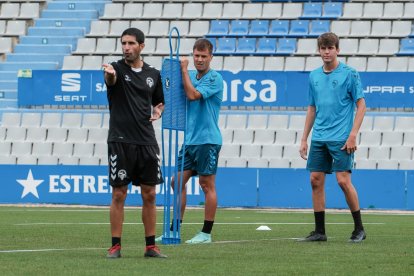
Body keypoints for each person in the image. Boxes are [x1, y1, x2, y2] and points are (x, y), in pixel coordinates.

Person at [103, 28, 166, 258]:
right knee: (119, 193)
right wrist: (109, 74)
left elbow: (159, 102)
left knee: (149, 194)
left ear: (141, 46)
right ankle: (115, 246)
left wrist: (159, 111)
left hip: (146, 141)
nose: (126, 48)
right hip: (120, 140)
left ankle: (150, 247)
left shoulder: (153, 74)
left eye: (130, 43)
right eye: (123, 43)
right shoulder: (115, 68)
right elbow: (111, 79)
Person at [299, 32, 367, 243]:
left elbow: (361, 105)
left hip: (341, 138)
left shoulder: (350, 74)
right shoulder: (314, 76)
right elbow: (312, 108)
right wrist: (304, 139)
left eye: (330, 48)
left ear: (337, 49)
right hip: (319, 137)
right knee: (315, 180)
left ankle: (359, 229)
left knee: (343, 181)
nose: (327, 52)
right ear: (319, 51)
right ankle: (320, 232)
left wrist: (353, 135)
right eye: (323, 48)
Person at [156, 38, 223, 244]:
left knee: (206, 184)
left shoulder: (215, 78)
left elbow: (193, 95)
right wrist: (161, 108)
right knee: (176, 182)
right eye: (196, 56)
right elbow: (173, 94)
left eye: (204, 56)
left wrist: (183, 71)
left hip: (208, 140)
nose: (200, 59)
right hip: (190, 139)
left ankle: (206, 233)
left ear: (211, 57)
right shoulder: (191, 74)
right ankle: (174, 229)